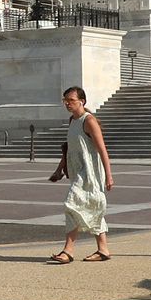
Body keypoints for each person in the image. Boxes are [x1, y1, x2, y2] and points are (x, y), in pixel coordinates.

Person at [47, 86, 113, 263]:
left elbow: (102, 149)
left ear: (82, 101)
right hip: (78, 171)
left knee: (71, 204)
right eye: (65, 100)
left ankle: (68, 250)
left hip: (90, 172)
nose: (67, 104)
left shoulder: (89, 121)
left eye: (71, 100)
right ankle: (103, 249)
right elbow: (68, 149)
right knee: (92, 207)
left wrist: (109, 175)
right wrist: (59, 169)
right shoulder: (72, 121)